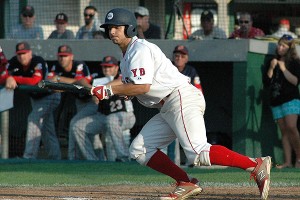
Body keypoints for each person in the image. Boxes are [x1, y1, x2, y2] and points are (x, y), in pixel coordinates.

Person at [93, 8, 271, 200]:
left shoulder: (139, 49)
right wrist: (125, 92)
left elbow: (142, 87)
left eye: (117, 27)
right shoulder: (127, 57)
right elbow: (135, 87)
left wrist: (110, 90)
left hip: (180, 98)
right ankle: (186, 182)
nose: (112, 32)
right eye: (109, 28)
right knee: (139, 150)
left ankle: (255, 164)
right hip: (168, 106)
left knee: (197, 152)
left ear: (129, 28)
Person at [0, 41, 61, 159]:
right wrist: (8, 78)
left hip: (50, 95)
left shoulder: (38, 61)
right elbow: (2, 76)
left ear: (30, 53)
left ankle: (29, 157)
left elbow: (35, 81)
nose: (22, 56)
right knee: (48, 130)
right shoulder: (14, 62)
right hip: (36, 99)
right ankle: (55, 157)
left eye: (24, 53)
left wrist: (13, 78)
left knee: (33, 119)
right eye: (19, 54)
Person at [71, 56, 136, 161]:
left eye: (110, 67)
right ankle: (93, 160)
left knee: (112, 120)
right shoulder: (98, 77)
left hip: (125, 115)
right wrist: (92, 89)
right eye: (105, 67)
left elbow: (121, 81)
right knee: (77, 126)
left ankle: (123, 158)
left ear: (116, 68)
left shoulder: (122, 75)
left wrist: (101, 89)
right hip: (103, 116)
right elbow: (80, 80)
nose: (107, 69)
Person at [47, 45, 104, 160]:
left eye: (65, 56)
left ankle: (77, 158)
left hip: (92, 101)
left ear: (71, 57)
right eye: (60, 56)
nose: (62, 59)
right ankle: (101, 160)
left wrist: (59, 79)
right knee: (92, 135)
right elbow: (49, 82)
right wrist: (65, 84)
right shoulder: (56, 66)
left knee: (75, 124)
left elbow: (80, 82)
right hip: (80, 101)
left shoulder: (79, 65)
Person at [263, 34, 300, 169]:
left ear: (290, 48)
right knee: (284, 131)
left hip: (291, 99)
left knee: (291, 127)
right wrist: (272, 68)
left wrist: (283, 68)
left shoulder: (294, 62)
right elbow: (266, 82)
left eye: (284, 46)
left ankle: (299, 158)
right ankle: (288, 161)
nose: (280, 48)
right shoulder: (272, 61)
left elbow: (295, 81)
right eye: (279, 44)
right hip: (276, 100)